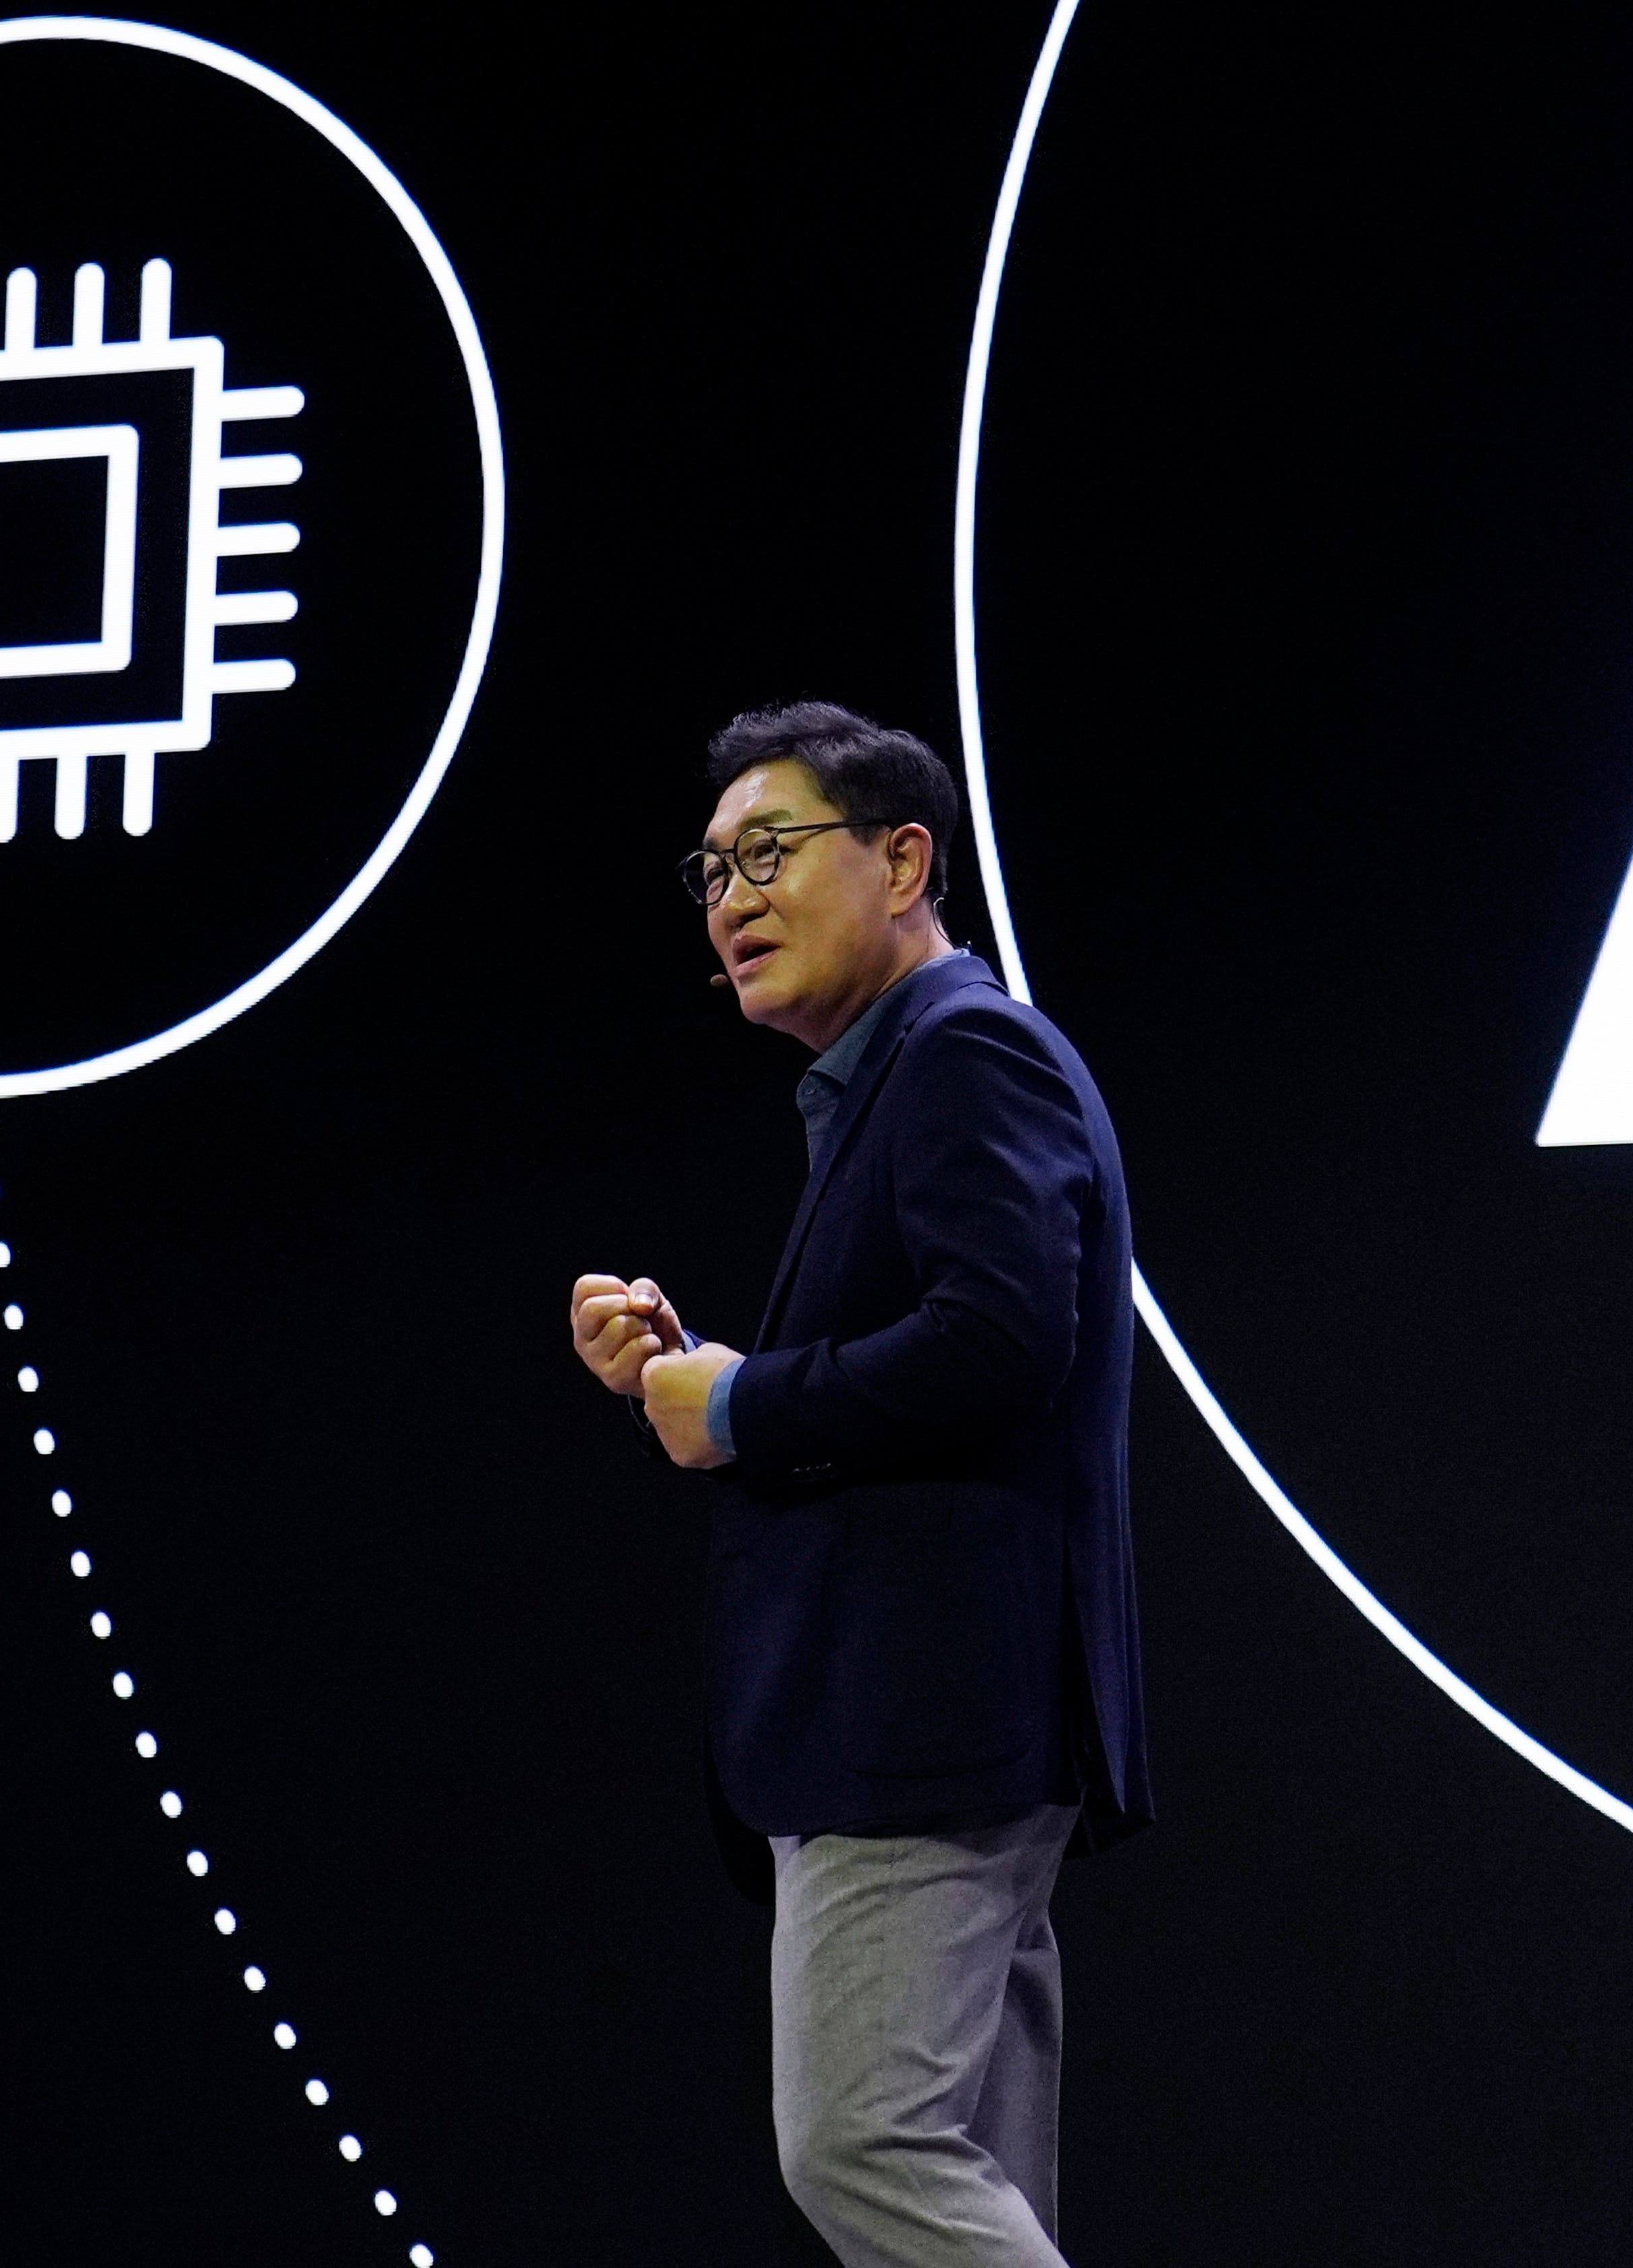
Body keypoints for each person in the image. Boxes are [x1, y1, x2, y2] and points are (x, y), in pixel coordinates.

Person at [570, 700, 1148, 2268]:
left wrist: (745, 1401)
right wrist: (706, 1374)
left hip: (925, 1725)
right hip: (954, 1716)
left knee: (863, 2143)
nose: (732, 898)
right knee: (967, 2170)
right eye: (708, 871)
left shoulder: (966, 1051)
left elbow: (1004, 1338)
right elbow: (948, 1355)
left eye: (771, 851)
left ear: (906, 860)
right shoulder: (914, 1072)